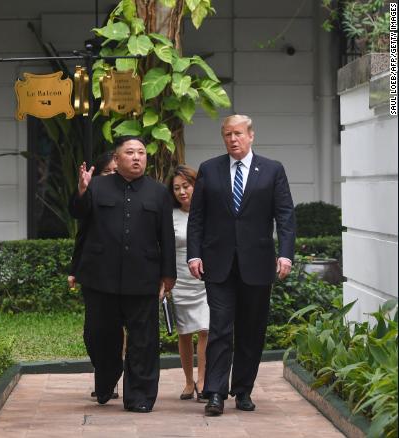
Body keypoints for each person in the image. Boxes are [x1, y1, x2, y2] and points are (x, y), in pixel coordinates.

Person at [187, 115, 296, 416]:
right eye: (227, 134)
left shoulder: (272, 170)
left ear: (250, 136)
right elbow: (197, 217)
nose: (232, 139)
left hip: (258, 264)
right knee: (220, 328)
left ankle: (243, 390)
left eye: (237, 133)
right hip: (218, 264)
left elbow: (285, 216)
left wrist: (286, 254)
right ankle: (215, 393)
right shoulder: (210, 169)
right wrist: (193, 254)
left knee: (251, 330)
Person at [70, 136, 176, 413]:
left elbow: (166, 235)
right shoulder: (96, 186)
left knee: (144, 340)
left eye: (141, 152)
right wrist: (82, 190)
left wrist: (168, 275)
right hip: (100, 278)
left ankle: (139, 397)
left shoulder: (158, 192)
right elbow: (78, 214)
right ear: (117, 160)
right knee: (99, 336)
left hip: (142, 277)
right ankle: (106, 379)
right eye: (130, 152)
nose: (137, 157)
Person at [66, 150, 118, 400]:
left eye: (116, 173)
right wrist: (83, 189)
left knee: (116, 331)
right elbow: (80, 225)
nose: (112, 177)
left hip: (126, 274)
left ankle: (107, 381)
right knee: (93, 332)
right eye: (107, 172)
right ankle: (108, 371)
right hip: (96, 273)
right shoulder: (93, 192)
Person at [166, 165, 209, 402]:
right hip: (180, 280)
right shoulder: (169, 215)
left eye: (186, 186)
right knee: (184, 333)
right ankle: (188, 381)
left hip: (206, 280)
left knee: (206, 329)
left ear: (196, 185)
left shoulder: (209, 212)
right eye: (177, 188)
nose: (182, 192)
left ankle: (203, 380)